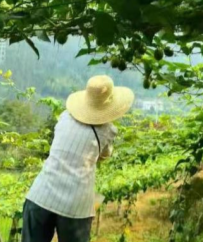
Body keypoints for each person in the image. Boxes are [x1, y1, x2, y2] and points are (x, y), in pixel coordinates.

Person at [22, 75, 134, 242]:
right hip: (75, 206)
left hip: (41, 195)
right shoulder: (108, 131)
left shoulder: (64, 116)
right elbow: (104, 156)